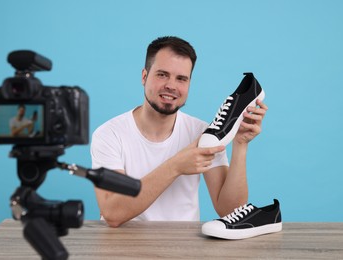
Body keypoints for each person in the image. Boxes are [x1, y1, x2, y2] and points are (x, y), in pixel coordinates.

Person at [90, 36, 268, 227]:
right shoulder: (109, 135)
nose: (171, 86)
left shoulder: (202, 133)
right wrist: (175, 166)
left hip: (184, 246)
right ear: (144, 76)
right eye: (162, 74)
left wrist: (240, 144)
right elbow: (112, 213)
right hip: (125, 247)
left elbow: (230, 211)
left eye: (181, 79)